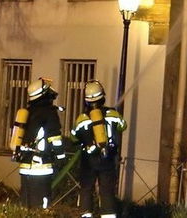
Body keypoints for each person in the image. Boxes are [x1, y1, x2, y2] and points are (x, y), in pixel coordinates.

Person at [71, 79, 127, 218]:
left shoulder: (82, 118)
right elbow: (123, 126)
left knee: (86, 189)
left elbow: (74, 137)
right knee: (107, 191)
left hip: (88, 160)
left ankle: (86, 214)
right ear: (103, 96)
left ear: (86, 100)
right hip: (107, 158)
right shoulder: (113, 114)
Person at [12, 76, 69, 209]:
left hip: (25, 165)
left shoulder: (27, 112)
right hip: (41, 166)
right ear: (44, 94)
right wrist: (61, 157)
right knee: (41, 204)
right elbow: (55, 138)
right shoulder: (49, 113)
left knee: (26, 203)